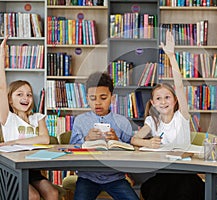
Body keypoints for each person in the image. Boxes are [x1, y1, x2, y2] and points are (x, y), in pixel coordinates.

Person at [131, 30, 205, 200]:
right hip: (164, 173)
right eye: (158, 99)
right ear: (154, 103)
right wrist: (148, 143)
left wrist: (171, 56)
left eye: (167, 97)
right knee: (153, 190)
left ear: (175, 101)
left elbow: (179, 86)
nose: (163, 102)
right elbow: (135, 140)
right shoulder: (153, 120)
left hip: (185, 174)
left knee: (185, 192)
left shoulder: (182, 116)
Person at [0, 38, 59, 200]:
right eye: (19, 94)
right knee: (32, 196)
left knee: (52, 193)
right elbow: (1, 87)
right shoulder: (8, 118)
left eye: (28, 94)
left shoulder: (37, 117)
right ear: (10, 100)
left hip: (33, 169)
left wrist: (13, 143)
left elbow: (45, 139)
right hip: (13, 169)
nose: (25, 97)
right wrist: (1, 56)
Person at [69, 72, 139, 200]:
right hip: (87, 177)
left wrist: (118, 141)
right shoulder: (80, 120)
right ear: (87, 99)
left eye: (103, 97)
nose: (98, 103)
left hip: (115, 177)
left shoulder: (122, 121)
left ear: (112, 98)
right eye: (93, 98)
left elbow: (132, 150)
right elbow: (71, 149)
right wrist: (86, 139)